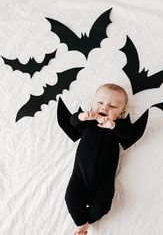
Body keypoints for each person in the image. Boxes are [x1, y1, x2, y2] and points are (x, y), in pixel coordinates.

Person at [65, 83, 132, 235]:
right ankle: (82, 224)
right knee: (71, 198)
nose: (105, 108)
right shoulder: (87, 122)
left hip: (104, 181)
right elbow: (73, 122)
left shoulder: (118, 126)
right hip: (79, 176)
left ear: (122, 112)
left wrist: (113, 125)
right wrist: (82, 116)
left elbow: (128, 134)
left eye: (113, 106)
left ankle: (84, 222)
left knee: (102, 207)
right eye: (100, 103)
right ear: (93, 103)